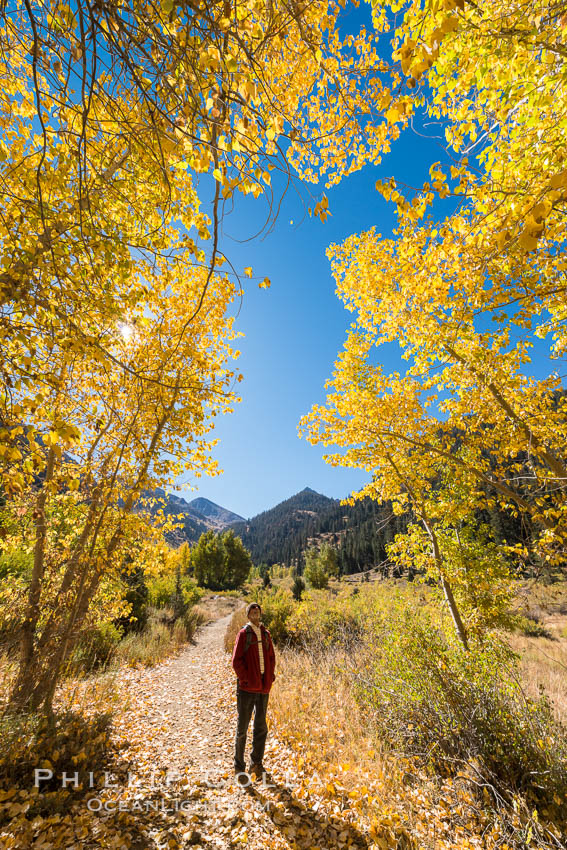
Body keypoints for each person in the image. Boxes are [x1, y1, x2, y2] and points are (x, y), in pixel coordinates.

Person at [231, 602, 276, 781]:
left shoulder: (266, 634)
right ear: (248, 615)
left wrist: (270, 678)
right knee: (242, 728)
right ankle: (239, 767)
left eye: (258, 610)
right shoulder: (244, 634)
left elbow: (272, 658)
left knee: (261, 727)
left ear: (260, 614)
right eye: (252, 610)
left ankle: (256, 763)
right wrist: (246, 679)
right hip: (247, 688)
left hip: (263, 688)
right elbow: (236, 661)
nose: (256, 612)